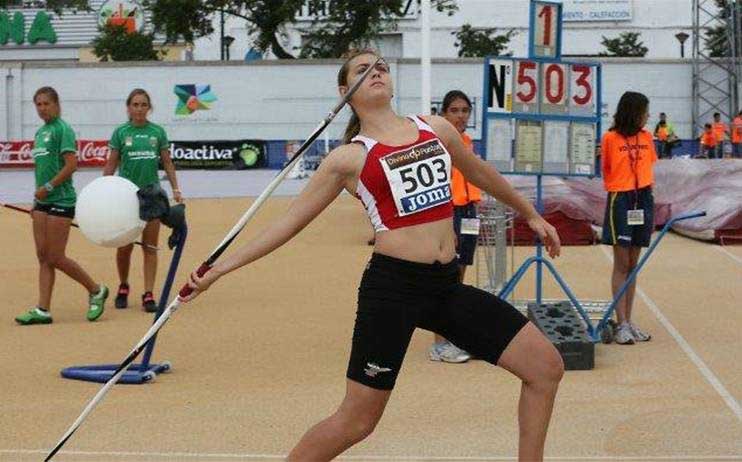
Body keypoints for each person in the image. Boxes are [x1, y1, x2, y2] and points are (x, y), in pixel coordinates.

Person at [183, 50, 564, 461]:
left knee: (545, 367)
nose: (376, 72)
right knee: (358, 421)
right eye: (363, 70)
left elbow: (478, 172)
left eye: (380, 66)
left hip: (445, 286)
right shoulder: (350, 157)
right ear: (345, 92)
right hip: (393, 289)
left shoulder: (434, 128)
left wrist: (530, 213)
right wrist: (220, 269)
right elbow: (288, 223)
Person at [15, 87, 109, 325]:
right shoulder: (40, 133)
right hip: (42, 203)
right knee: (43, 257)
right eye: (38, 104)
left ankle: (96, 289)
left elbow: (71, 165)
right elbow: (41, 168)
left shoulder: (63, 130)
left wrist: (47, 186)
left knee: (56, 256)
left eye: (46, 103)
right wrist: (38, 200)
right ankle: (43, 309)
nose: (42, 108)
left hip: (61, 200)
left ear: (56, 104)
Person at [103, 89, 182, 312]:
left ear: (149, 108)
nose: (139, 108)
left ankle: (148, 293)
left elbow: (167, 163)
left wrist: (175, 188)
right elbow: (111, 164)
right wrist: (103, 189)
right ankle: (123, 286)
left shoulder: (157, 132)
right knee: (124, 247)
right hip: (126, 196)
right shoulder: (120, 133)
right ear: (128, 108)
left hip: (152, 195)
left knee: (149, 247)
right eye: (135, 104)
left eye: (143, 104)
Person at [428, 89, 482, 364]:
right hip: (449, 212)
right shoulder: (438, 143)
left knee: (459, 279)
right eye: (455, 110)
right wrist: (446, 223)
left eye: (465, 110)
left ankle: (452, 334)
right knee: (445, 277)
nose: (461, 116)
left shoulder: (467, 141)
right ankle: (439, 343)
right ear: (444, 113)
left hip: (469, 211)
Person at [600, 91, 657, 345]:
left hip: (643, 198)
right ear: (633, 112)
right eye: (645, 111)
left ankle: (629, 321)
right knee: (621, 263)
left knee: (634, 264)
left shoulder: (647, 137)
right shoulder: (610, 138)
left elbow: (648, 167)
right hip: (621, 200)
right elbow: (608, 170)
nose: (648, 116)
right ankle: (620, 321)